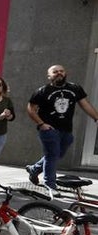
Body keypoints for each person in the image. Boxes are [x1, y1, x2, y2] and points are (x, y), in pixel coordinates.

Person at [26, 64, 98, 192]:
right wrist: (41, 124)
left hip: (66, 130)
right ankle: (50, 184)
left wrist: (96, 117)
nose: (59, 73)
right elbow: (31, 109)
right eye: (55, 72)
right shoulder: (42, 91)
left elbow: (85, 105)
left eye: (61, 71)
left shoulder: (75, 88)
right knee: (52, 155)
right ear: (49, 76)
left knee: (57, 154)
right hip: (49, 130)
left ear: (65, 73)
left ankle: (34, 169)